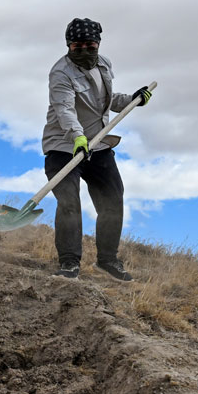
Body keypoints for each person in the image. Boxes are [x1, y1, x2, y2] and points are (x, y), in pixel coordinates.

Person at [41, 17, 152, 281]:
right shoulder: (60, 72)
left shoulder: (104, 64)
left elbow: (105, 99)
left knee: (113, 199)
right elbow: (65, 109)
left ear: (98, 44)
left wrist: (133, 100)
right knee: (69, 203)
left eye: (89, 45)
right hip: (64, 145)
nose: (83, 50)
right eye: (77, 46)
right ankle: (69, 263)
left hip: (98, 145)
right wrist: (78, 136)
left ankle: (108, 261)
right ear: (69, 45)